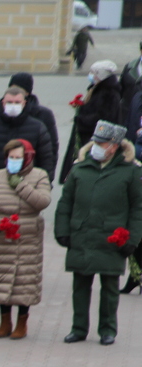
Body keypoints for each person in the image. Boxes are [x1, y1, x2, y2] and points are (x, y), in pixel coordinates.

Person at [55, 121, 142, 344]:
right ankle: (79, 328)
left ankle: (107, 330)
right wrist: (62, 231)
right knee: (80, 286)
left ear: (114, 146)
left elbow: (137, 208)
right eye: (95, 142)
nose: (96, 146)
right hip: (82, 234)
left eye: (101, 143)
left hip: (113, 238)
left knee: (110, 289)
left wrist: (132, 239)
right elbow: (66, 203)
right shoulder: (80, 168)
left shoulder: (130, 171)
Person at [0, 85, 54, 304]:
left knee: (25, 253)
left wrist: (43, 185)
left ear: (24, 103)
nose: (12, 106)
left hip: (27, 197)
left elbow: (47, 159)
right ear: (2, 102)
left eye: (17, 102)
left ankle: (21, 293)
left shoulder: (37, 127)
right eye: (9, 102)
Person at [0, 138, 51, 340]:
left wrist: (21, 186)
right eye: (11, 157)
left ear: (27, 158)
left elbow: (43, 201)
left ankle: (22, 322)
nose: (14, 161)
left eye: (18, 157)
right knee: (2, 277)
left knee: (24, 280)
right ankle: (4, 321)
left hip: (27, 234)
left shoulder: (39, 175)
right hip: (2, 234)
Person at [62, 61, 123, 182]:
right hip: (86, 136)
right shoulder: (95, 89)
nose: (90, 75)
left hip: (93, 139)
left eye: (93, 73)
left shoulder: (109, 93)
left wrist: (82, 120)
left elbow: (105, 118)